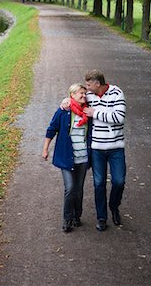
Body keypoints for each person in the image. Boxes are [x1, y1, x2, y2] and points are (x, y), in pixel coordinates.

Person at [61, 69, 126, 232]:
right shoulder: (89, 96)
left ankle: (114, 206)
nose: (87, 88)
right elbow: (76, 100)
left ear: (98, 83)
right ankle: (101, 217)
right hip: (97, 148)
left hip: (116, 147)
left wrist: (95, 113)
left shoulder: (117, 93)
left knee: (119, 181)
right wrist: (65, 102)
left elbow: (119, 117)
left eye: (89, 85)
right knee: (98, 183)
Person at [42, 84, 92, 233]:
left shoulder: (88, 112)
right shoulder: (63, 112)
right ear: (72, 95)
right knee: (70, 188)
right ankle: (67, 219)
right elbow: (52, 129)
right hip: (66, 158)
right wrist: (45, 149)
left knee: (79, 189)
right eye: (80, 93)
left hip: (83, 158)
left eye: (85, 93)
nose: (83, 96)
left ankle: (77, 216)